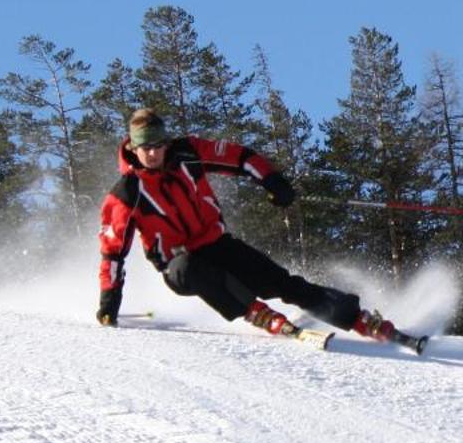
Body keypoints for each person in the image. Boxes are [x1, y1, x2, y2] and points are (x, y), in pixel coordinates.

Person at [96, 107, 389, 338]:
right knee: (193, 270)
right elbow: (112, 252)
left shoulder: (188, 153)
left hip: (216, 244)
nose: (152, 153)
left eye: (158, 145)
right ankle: (256, 312)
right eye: (145, 147)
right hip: (179, 264)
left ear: (166, 143)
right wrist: (109, 301)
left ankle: (355, 318)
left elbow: (240, 158)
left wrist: (272, 181)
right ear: (133, 149)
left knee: (279, 281)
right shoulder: (126, 193)